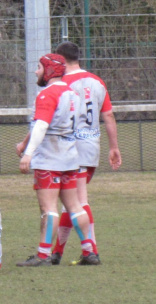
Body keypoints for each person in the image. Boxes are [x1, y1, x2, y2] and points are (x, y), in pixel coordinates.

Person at [15, 53, 97, 267]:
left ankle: (43, 256)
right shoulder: (72, 94)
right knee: (74, 206)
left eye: (39, 67)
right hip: (70, 158)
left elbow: (41, 125)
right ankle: (89, 251)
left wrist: (28, 153)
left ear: (50, 70)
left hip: (49, 159)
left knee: (48, 208)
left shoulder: (47, 94)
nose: (36, 71)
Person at [51, 41, 122, 264]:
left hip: (71, 147)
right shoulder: (97, 81)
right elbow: (108, 116)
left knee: (79, 201)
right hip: (91, 147)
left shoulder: (63, 82)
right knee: (70, 202)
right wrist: (114, 147)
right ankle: (58, 252)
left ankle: (90, 251)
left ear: (61, 60)